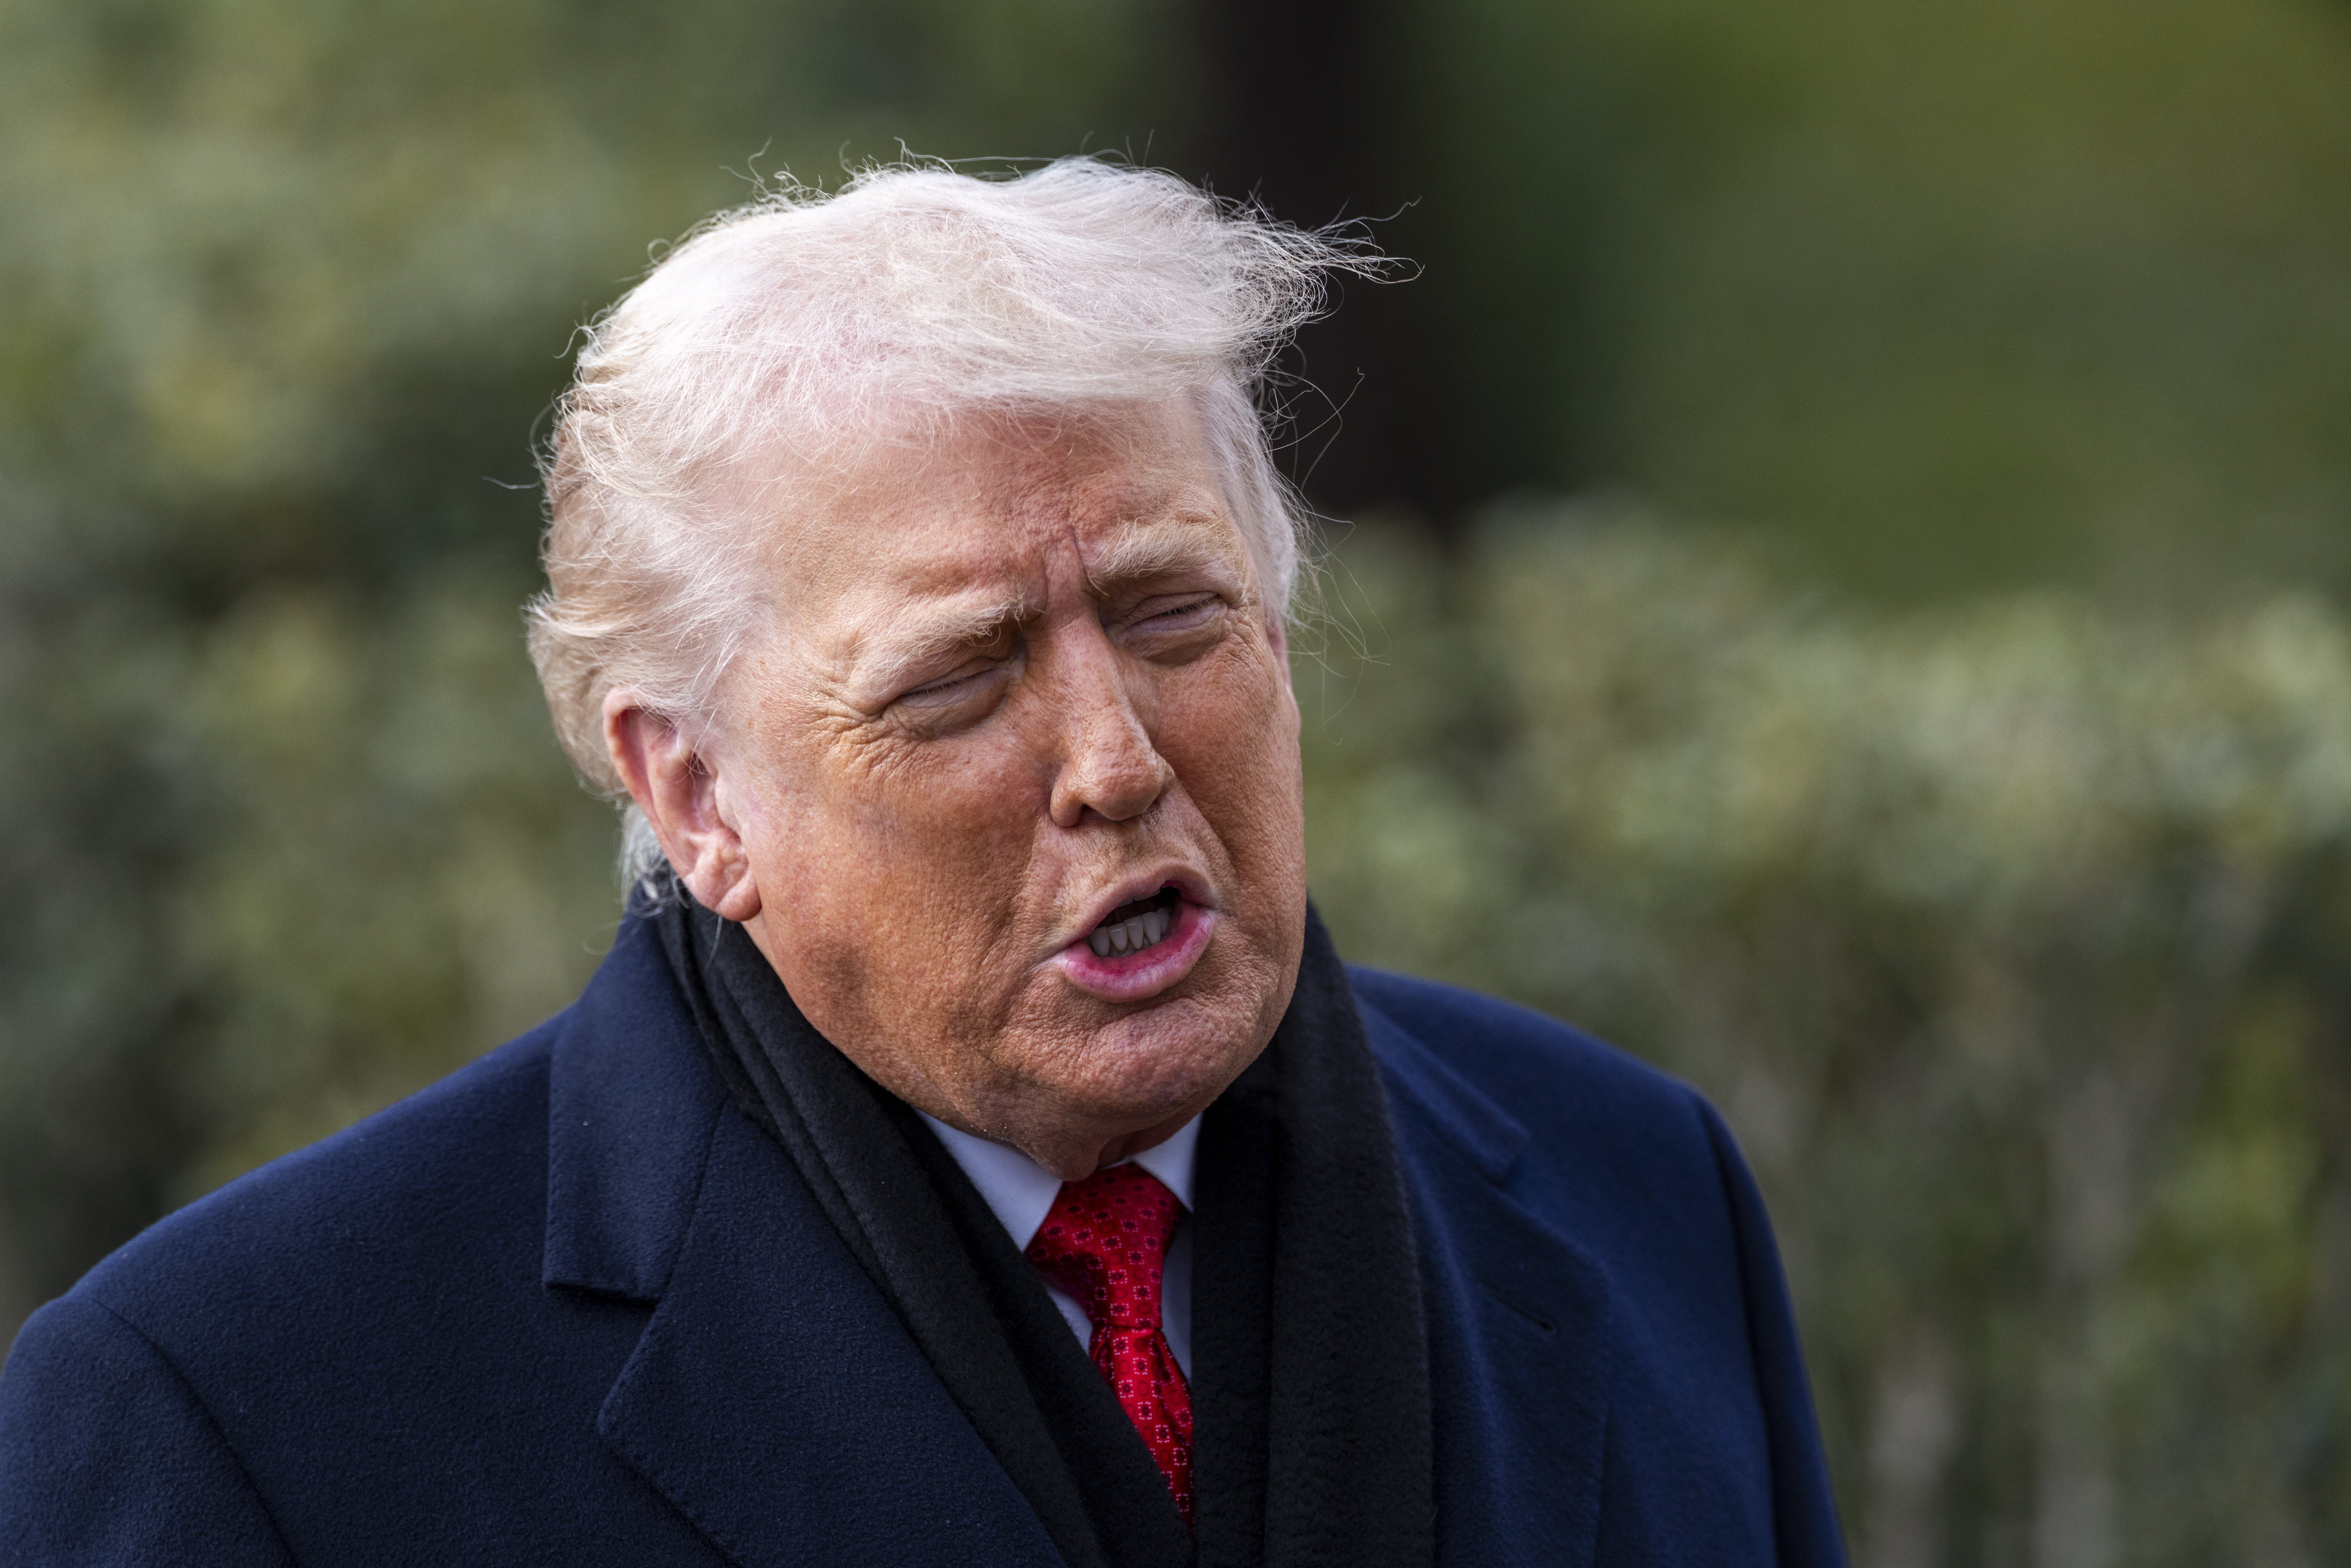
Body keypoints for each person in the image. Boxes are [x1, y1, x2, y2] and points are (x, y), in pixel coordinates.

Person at [0, 158, 1848, 1566]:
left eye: (1175, 612)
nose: (1115, 764)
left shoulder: (1638, 1187)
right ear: (696, 795)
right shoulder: (233, 1409)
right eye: (960, 681)